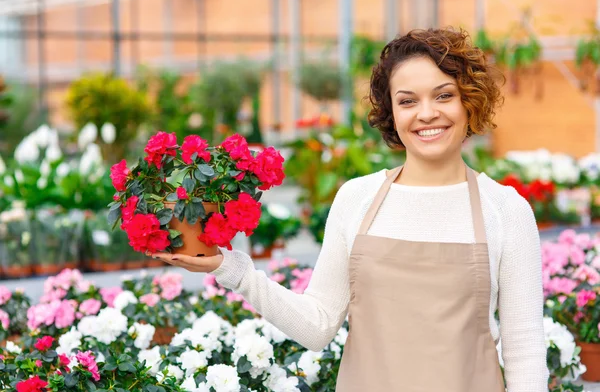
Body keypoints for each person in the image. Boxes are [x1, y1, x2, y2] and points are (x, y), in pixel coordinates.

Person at [151, 27, 548, 391]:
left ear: (469, 102)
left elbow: (524, 349)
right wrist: (231, 269)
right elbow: (319, 325)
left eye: (444, 95)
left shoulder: (505, 210)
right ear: (392, 113)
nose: (427, 113)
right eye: (407, 101)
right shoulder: (358, 198)